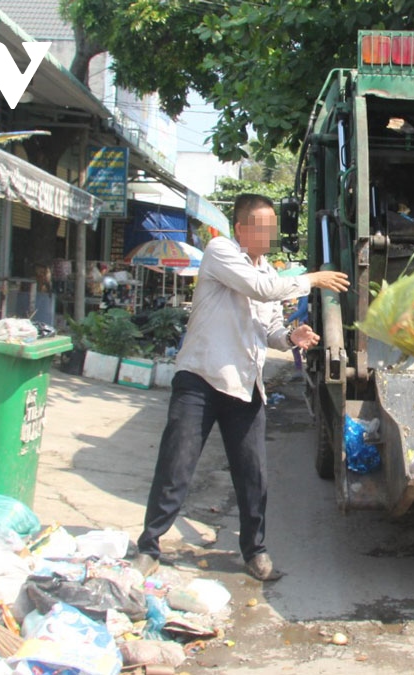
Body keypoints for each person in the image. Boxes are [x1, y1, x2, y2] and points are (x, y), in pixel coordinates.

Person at [132, 194, 350, 581]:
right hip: (200, 380)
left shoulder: (267, 269)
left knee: (253, 477)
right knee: (175, 468)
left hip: (245, 388)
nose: (268, 236)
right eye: (261, 228)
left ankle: (255, 552)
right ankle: (149, 546)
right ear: (241, 229)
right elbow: (260, 289)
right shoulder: (220, 251)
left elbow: (268, 329)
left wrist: (291, 337)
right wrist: (312, 279)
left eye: (271, 229)